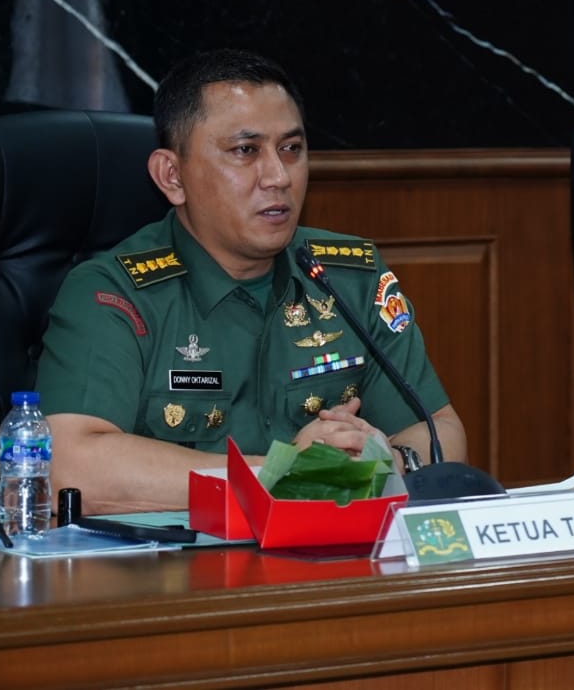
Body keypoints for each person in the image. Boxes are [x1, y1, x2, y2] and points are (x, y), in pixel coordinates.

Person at [36, 49, 467, 512]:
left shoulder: (347, 277)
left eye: (291, 149)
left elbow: (440, 430)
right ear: (172, 176)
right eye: (246, 151)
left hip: (334, 552)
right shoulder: (114, 294)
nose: (278, 176)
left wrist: (384, 460)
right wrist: (282, 473)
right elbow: (70, 467)